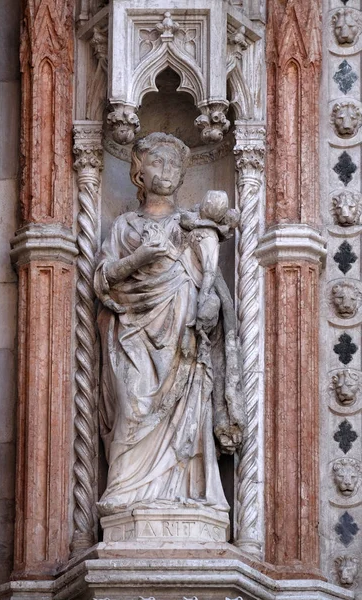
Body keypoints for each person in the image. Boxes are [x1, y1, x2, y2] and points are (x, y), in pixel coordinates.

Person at [94, 133, 245, 517]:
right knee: (133, 404)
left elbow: (214, 284)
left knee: (186, 414)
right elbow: (101, 279)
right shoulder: (126, 227)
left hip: (183, 336)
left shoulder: (191, 227)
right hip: (133, 332)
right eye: (156, 163)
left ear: (182, 176)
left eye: (173, 165)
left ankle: (188, 496)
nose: (166, 171)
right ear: (138, 174)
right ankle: (125, 491)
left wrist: (211, 304)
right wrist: (140, 257)